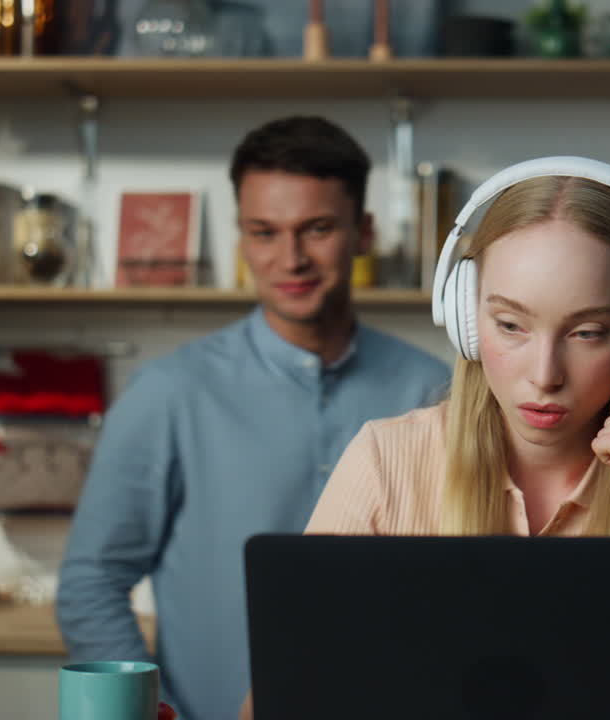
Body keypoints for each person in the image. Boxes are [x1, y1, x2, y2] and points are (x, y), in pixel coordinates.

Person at [239, 157, 610, 720]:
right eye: (511, 325)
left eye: (589, 332)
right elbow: (278, 699)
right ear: (466, 319)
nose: (545, 374)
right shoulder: (386, 459)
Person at [57, 115, 451, 720]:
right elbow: (92, 582)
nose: (290, 258)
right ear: (242, 238)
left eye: (316, 228)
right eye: (264, 232)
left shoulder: (434, 390)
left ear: (363, 232)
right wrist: (155, 711)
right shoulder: (168, 393)